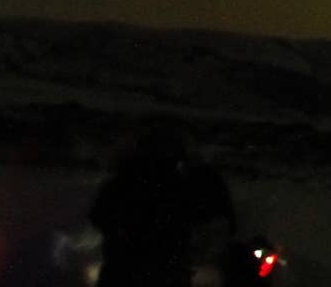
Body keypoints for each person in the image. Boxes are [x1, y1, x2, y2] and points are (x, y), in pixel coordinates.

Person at [86, 123, 237, 287]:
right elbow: (213, 218)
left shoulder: (123, 184)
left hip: (126, 270)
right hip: (165, 270)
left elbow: (99, 217)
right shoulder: (183, 186)